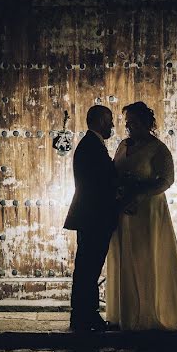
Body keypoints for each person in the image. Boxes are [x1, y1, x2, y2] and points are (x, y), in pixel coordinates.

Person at [105, 101, 177, 332]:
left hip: (148, 211)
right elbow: (115, 172)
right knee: (125, 256)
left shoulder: (158, 149)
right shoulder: (123, 145)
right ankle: (125, 313)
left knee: (146, 257)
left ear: (146, 123)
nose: (129, 126)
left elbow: (166, 180)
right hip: (124, 210)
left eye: (134, 121)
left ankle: (148, 313)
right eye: (128, 122)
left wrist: (142, 194)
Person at [62, 105, 118, 331]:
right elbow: (102, 183)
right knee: (89, 268)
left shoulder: (91, 145)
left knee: (87, 267)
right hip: (94, 217)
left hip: (91, 216)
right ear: (97, 121)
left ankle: (83, 316)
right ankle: (86, 316)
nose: (112, 125)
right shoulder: (92, 147)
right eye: (108, 120)